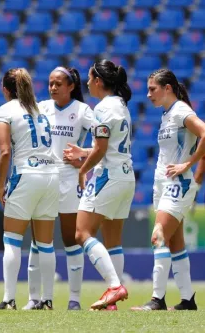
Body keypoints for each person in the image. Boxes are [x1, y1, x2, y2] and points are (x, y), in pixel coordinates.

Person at [132, 69, 205, 311]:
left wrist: (189, 165)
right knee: (175, 243)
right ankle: (188, 301)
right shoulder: (167, 115)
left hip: (178, 184)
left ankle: (157, 299)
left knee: (159, 235)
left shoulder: (182, 111)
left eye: (152, 88)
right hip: (163, 184)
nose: (148, 93)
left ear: (167, 89)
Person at [64, 60, 134, 310]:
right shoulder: (121, 105)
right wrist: (84, 152)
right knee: (113, 240)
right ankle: (112, 302)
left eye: (90, 78)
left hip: (108, 176)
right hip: (126, 176)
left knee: (81, 233)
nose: (87, 83)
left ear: (99, 82)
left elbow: (102, 149)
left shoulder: (103, 109)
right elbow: (108, 145)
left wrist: (83, 169)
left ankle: (115, 287)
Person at [24, 66, 94, 311]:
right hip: (43, 177)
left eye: (58, 84)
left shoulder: (83, 110)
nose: (53, 88)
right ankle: (35, 298)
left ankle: (74, 299)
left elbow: (104, 141)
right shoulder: (41, 107)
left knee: (70, 239)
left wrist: (83, 157)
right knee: (38, 240)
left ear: (71, 86)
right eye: (50, 83)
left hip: (69, 178)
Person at [0, 68, 59, 310]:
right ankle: (48, 300)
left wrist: (1, 186)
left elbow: (4, 151)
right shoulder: (40, 108)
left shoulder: (5, 110)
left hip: (26, 174)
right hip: (51, 175)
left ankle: (9, 299)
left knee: (11, 240)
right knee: (46, 243)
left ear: (5, 89)